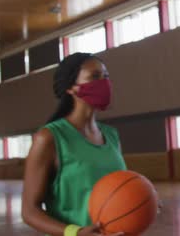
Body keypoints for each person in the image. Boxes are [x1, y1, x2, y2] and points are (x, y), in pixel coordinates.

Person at [22, 53, 126, 236]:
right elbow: (29, 212)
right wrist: (75, 232)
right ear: (71, 88)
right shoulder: (49, 138)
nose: (104, 82)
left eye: (106, 76)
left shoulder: (111, 135)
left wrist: (142, 196)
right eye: (95, 76)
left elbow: (117, 191)